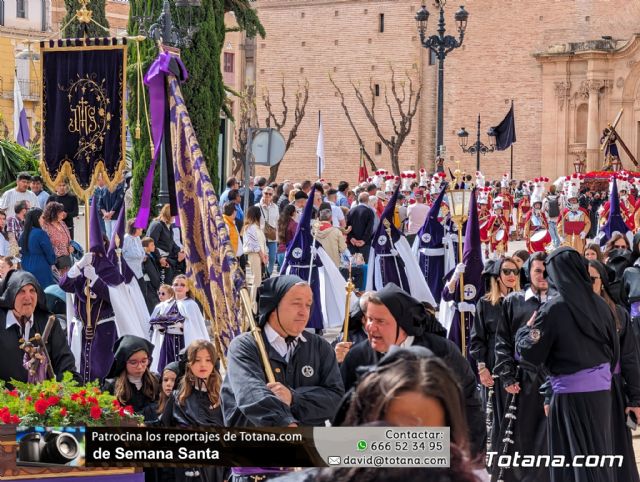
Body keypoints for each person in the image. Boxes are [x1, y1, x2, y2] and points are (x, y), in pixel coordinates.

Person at [339, 284, 485, 458]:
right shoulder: (357, 356)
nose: (370, 327)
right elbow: (345, 415)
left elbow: (469, 405)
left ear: (402, 324)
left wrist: (470, 455)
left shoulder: (441, 351)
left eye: (380, 321)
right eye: (369, 319)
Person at [221, 275, 344, 480]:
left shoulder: (320, 347)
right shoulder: (245, 346)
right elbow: (252, 396)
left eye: (308, 305)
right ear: (273, 305)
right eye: (296, 304)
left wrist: (294, 398)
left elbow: (335, 398)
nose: (304, 312)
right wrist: (286, 425)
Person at [515, 247, 619, 482]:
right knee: (598, 457)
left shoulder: (553, 308)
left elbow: (530, 352)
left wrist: (525, 330)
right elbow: (614, 352)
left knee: (572, 461)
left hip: (569, 398)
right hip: (601, 395)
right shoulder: (602, 305)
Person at [493, 251, 549, 482]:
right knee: (522, 437)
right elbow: (502, 341)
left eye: (547, 271)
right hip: (523, 379)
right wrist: (507, 376)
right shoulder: (513, 302)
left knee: (549, 438)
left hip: (553, 380)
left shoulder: (559, 303)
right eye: (537, 270)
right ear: (529, 272)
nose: (542, 275)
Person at [588, 260, 640, 482]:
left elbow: (630, 359)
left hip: (613, 390)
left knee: (616, 445)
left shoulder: (618, 313)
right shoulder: (567, 312)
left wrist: (636, 399)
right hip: (583, 394)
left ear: (602, 282)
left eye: (592, 279)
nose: (587, 284)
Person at [470, 258, 519, 456]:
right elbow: (477, 339)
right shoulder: (485, 303)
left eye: (515, 271)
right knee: (497, 419)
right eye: (506, 271)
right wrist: (482, 368)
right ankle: (498, 463)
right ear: (497, 276)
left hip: (518, 365)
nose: (511, 276)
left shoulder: (524, 301)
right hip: (493, 366)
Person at [162, 340, 226, 482]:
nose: (203, 364)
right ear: (189, 364)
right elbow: (161, 427)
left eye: (208, 360)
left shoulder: (225, 397)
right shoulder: (177, 397)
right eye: (197, 360)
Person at [0, 271, 78, 385]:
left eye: (32, 290)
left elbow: (66, 364)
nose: (28, 297)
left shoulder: (49, 321)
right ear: (10, 295)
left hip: (42, 397)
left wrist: (61, 388)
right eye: (21, 291)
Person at [149, 274, 210, 374]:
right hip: (168, 342)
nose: (179, 287)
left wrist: (181, 325)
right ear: (172, 287)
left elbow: (194, 327)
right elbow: (157, 322)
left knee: (184, 368)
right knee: (168, 368)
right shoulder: (166, 304)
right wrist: (161, 327)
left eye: (182, 285)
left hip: (184, 341)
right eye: (176, 284)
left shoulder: (191, 305)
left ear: (187, 288)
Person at [103, 335, 160, 423]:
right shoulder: (112, 386)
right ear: (123, 363)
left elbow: (162, 407)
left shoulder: (156, 380)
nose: (140, 367)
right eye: (133, 362)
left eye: (144, 361)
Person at [147, 204, 185, 285]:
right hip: (160, 259)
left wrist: (179, 251)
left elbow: (171, 241)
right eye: (173, 216)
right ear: (168, 215)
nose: (174, 218)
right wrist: (159, 258)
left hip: (168, 256)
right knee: (167, 282)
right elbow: (150, 243)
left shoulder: (168, 225)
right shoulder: (157, 225)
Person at [19, 208, 56, 289]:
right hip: (41, 268)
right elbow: (49, 253)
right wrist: (53, 261)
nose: (44, 220)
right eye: (42, 217)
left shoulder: (22, 235)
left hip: (25, 267)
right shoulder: (41, 233)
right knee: (44, 295)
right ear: (37, 218)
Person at [41, 202, 74, 278]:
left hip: (67, 261)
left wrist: (71, 246)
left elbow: (69, 238)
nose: (63, 213)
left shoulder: (62, 223)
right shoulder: (45, 225)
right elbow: (45, 244)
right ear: (53, 213)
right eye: (60, 212)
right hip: (54, 264)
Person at [243, 205, 268, 297]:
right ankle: (253, 306)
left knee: (259, 280)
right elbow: (255, 245)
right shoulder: (250, 228)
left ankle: (256, 303)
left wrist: (265, 255)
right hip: (254, 255)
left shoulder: (258, 228)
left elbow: (263, 243)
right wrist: (263, 256)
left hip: (260, 255)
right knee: (256, 281)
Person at [259, 186, 279, 276]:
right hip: (261, 235)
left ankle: (268, 274)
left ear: (272, 195)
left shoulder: (275, 207)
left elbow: (277, 222)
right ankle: (262, 273)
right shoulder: (257, 206)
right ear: (262, 194)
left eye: (270, 194)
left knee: (272, 258)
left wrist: (278, 236)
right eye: (265, 193)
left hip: (272, 236)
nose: (267, 195)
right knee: (262, 257)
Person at [276, 204, 297, 270]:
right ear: (293, 213)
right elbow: (296, 239)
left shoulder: (280, 223)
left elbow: (277, 239)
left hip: (280, 251)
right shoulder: (294, 224)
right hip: (289, 252)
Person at [542, 184, 561, 248]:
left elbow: (542, 210)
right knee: (558, 236)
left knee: (552, 237)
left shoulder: (545, 199)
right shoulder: (559, 198)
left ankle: (553, 248)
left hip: (549, 220)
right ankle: (558, 248)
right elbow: (562, 209)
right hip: (558, 220)